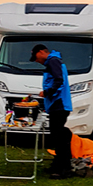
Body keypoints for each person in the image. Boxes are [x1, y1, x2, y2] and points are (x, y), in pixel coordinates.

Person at [31, 44, 75, 179]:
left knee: (59, 137)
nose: (36, 61)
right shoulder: (53, 62)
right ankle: (58, 165)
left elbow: (59, 81)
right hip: (57, 105)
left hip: (59, 105)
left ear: (41, 52)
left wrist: (47, 92)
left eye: (35, 57)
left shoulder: (53, 61)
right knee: (59, 135)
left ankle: (64, 169)